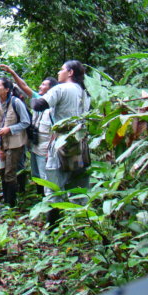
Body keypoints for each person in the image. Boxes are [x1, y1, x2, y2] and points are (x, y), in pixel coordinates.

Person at [31, 60, 90, 226]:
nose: (58, 72)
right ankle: (81, 224)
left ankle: (53, 226)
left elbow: (39, 105)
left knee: (53, 185)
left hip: (61, 143)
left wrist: (33, 98)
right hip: (80, 143)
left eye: (62, 69)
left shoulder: (60, 89)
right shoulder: (85, 92)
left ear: (70, 73)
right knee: (78, 184)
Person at [0, 64, 58, 195]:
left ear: (51, 89)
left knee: (45, 175)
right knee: (36, 174)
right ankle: (40, 201)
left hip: (46, 144)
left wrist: (51, 149)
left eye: (44, 85)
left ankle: (50, 205)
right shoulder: (39, 99)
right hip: (35, 143)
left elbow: (56, 129)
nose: (40, 86)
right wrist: (12, 72)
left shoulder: (54, 105)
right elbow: (24, 87)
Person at [0, 77, 30, 207]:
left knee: (9, 173)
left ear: (7, 89)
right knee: (1, 172)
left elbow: (26, 122)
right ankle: (6, 200)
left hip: (15, 143)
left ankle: (10, 204)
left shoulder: (16, 102)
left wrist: (9, 129)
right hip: (0, 144)